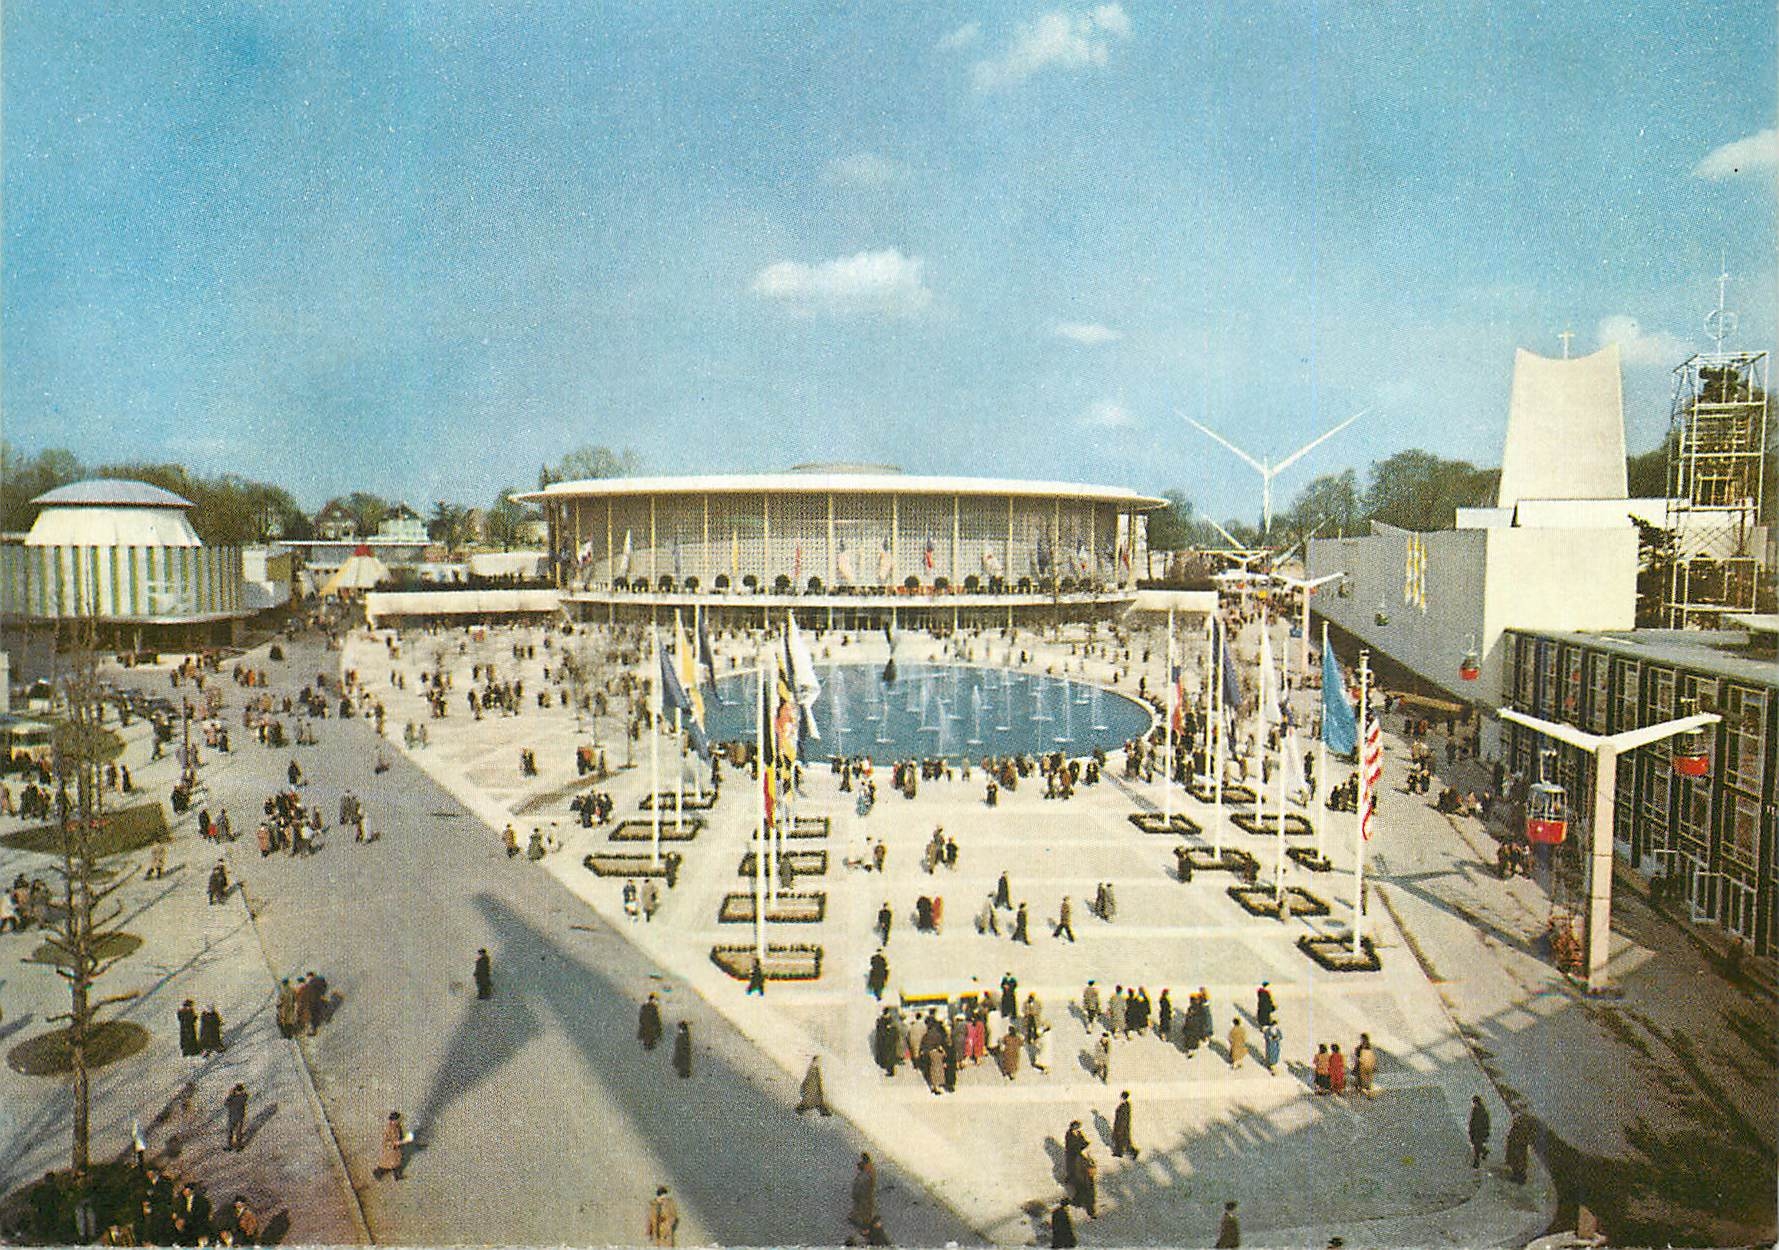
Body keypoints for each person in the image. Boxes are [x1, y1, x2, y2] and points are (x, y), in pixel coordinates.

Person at [374, 1111, 407, 1180]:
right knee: (386, 1166)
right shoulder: (388, 1129)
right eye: (397, 1119)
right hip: (389, 1151)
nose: (399, 1121)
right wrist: (394, 1143)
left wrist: (402, 1140)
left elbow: (400, 1134)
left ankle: (397, 1176)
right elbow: (385, 1141)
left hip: (396, 1150)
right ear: (393, 1120)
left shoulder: (398, 1126)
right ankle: (377, 1173)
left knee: (397, 1164)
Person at [849, 1154, 878, 1231]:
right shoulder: (867, 1171)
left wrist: (857, 1193)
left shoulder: (868, 1172)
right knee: (860, 1207)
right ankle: (856, 1219)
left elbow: (865, 1184)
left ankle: (865, 1226)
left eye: (862, 1161)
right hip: (862, 1194)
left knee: (865, 1209)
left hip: (864, 1194)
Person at [1505, 1110, 1533, 1184]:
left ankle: (1521, 1178)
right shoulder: (1515, 1127)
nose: (1515, 1121)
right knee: (1515, 1162)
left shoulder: (1522, 1128)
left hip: (1520, 1148)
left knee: (1520, 1163)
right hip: (1514, 1147)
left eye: (1516, 1119)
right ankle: (1516, 1175)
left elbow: (1525, 1138)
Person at [1112, 1090, 1139, 1160]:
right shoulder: (1125, 1105)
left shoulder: (1124, 1106)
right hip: (1121, 1125)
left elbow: (1124, 1118)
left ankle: (1132, 1152)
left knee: (1124, 1140)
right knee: (1121, 1139)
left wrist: (1121, 1127)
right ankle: (1118, 1152)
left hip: (1122, 1126)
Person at [223, 1083, 249, 1151]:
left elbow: (226, 1104)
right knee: (237, 1132)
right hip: (239, 1116)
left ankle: (230, 1145)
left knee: (231, 1131)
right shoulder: (243, 1096)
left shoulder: (233, 1097)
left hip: (232, 1116)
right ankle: (238, 1146)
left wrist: (230, 1094)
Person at [1468, 1094, 1491, 1167]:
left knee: (1476, 1147)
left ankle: (1476, 1162)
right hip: (1475, 1131)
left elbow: (1486, 1122)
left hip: (1480, 1132)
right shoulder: (1475, 1110)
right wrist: (1471, 1130)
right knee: (1477, 1145)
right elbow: (1472, 1121)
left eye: (1474, 1102)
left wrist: (1486, 1132)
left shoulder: (1482, 1111)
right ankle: (1484, 1151)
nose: (1473, 1104)